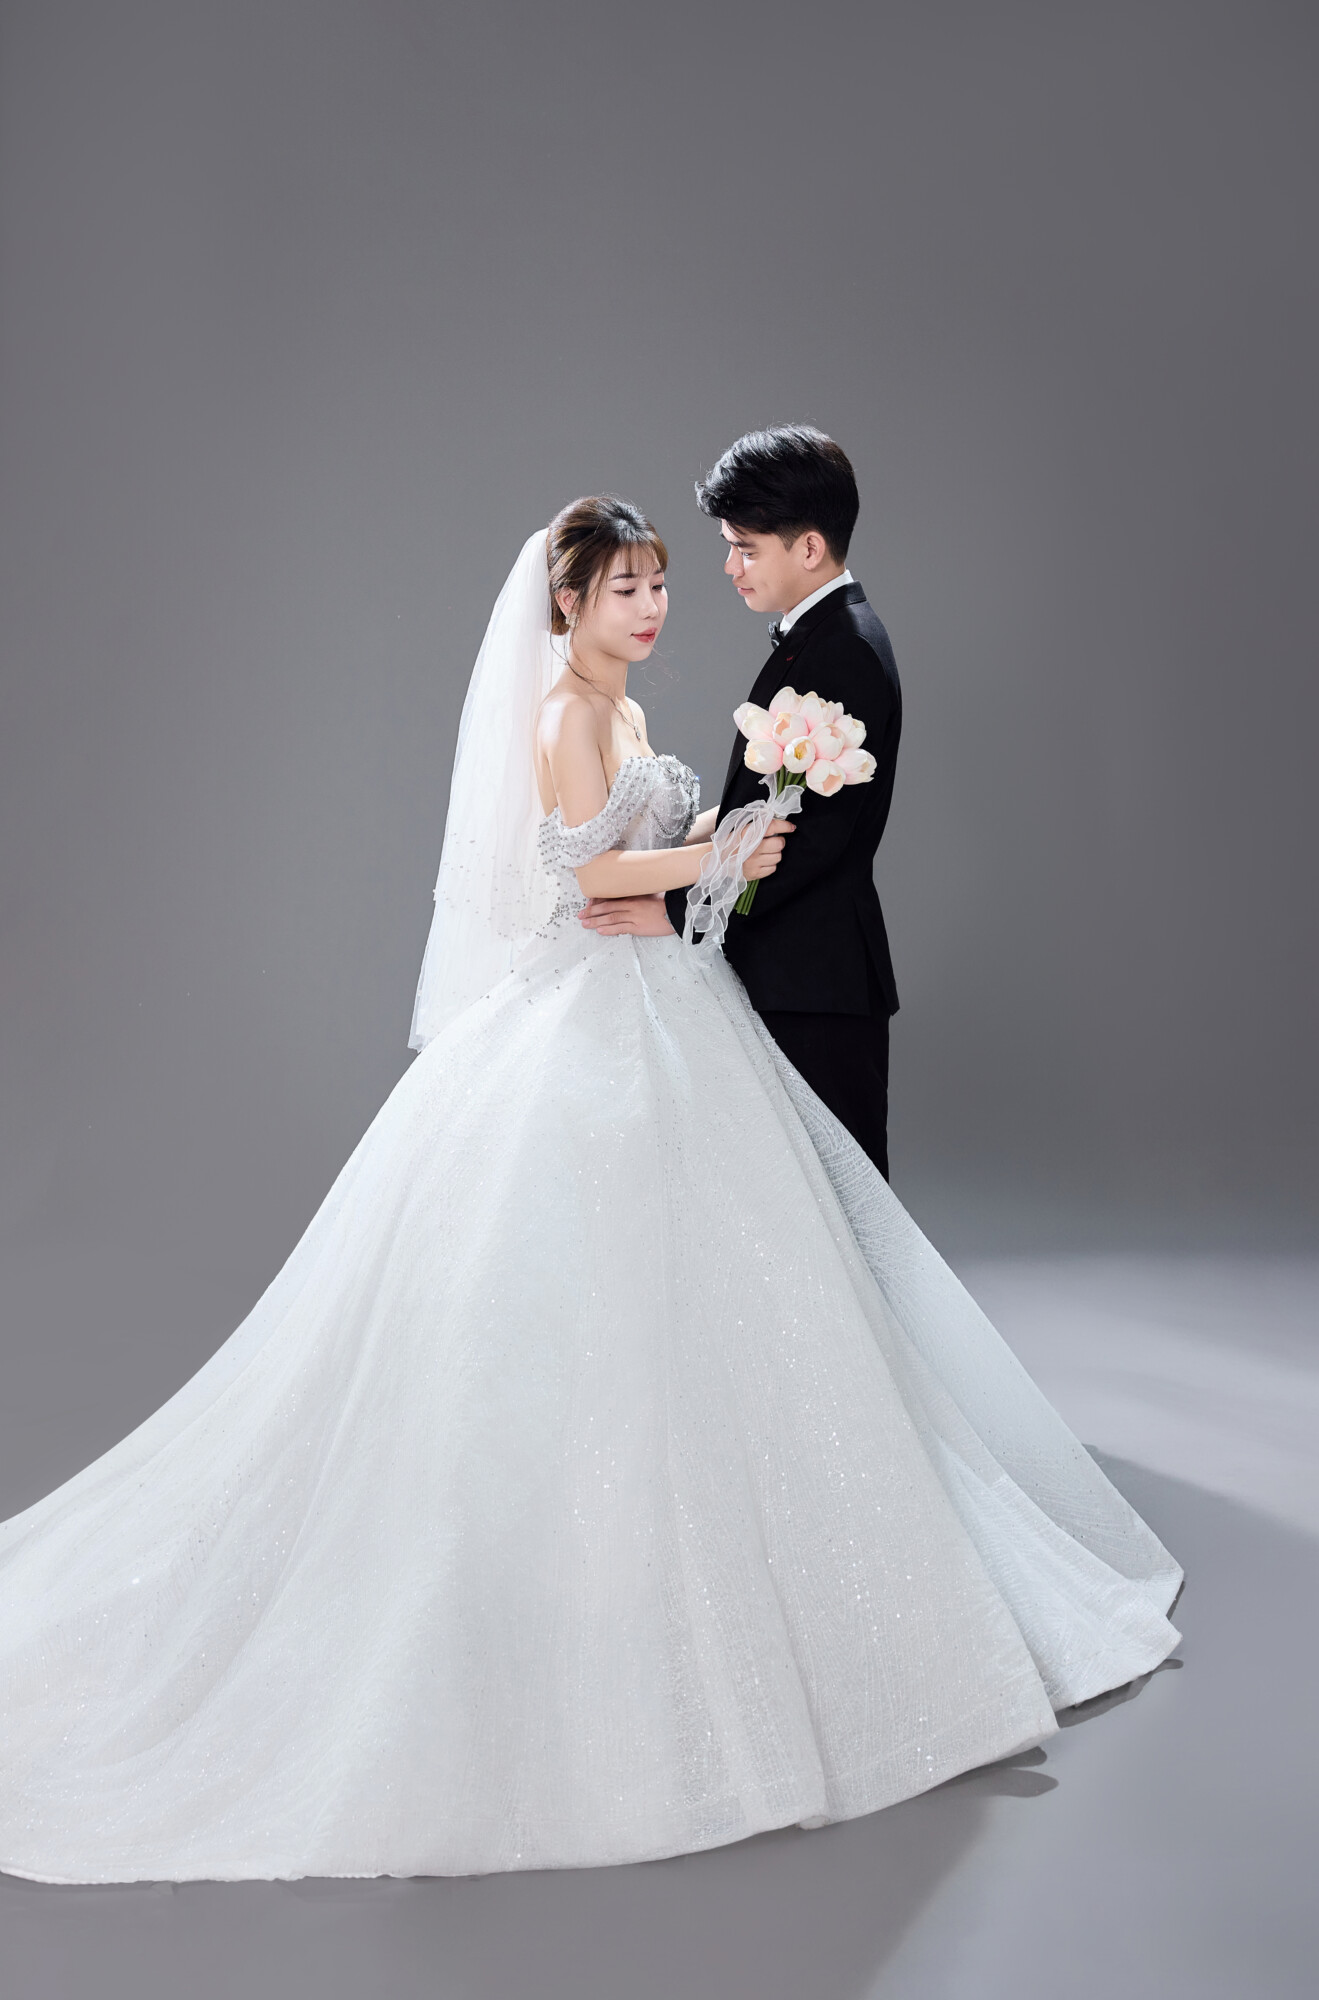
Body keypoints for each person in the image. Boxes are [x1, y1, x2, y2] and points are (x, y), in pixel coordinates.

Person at [0, 497, 1182, 1886]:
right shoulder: (567, 711)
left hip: (662, 1003)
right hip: (587, 1018)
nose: (652, 606)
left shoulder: (622, 710)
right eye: (624, 588)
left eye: (658, 585)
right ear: (565, 603)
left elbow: (640, 869)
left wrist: (719, 845)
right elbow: (582, 870)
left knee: (727, 1294)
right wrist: (715, 857)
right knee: (579, 1299)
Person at [581, 428, 898, 1174]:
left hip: (814, 979)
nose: (730, 567)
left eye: (745, 549)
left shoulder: (843, 650)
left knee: (839, 1202)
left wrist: (674, 908)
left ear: (810, 548)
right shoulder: (816, 638)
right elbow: (759, 816)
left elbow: (811, 842)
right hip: (789, 967)